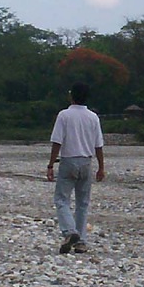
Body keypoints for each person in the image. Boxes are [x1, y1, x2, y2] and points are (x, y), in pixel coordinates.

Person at [46, 83, 105, 254]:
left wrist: (50, 165)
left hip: (68, 160)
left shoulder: (64, 115)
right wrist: (101, 167)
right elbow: (98, 145)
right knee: (82, 203)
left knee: (61, 199)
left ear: (71, 95)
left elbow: (57, 141)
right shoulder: (93, 117)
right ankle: (81, 241)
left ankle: (70, 231)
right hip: (86, 161)